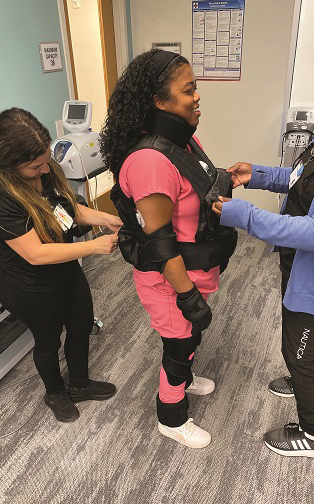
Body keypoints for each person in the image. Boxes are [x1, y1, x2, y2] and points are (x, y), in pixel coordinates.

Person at [212, 20, 314, 459]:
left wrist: (243, 215)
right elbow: (306, 180)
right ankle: (301, 369)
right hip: (301, 262)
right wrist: (261, 175)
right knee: (297, 336)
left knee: (304, 350)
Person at [100, 49, 237, 448]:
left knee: (190, 335)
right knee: (180, 343)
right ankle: (170, 415)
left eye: (196, 88)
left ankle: (185, 378)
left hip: (196, 269)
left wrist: (229, 179)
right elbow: (159, 245)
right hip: (170, 279)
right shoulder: (150, 162)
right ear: (160, 101)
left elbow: (196, 187)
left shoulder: (184, 141)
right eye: (189, 90)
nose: (197, 97)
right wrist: (187, 294)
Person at [0, 108, 122, 422]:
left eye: (45, 159)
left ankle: (79, 385)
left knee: (80, 326)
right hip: (30, 284)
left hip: (64, 270)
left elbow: (67, 213)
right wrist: (94, 246)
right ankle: (54, 392)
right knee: (48, 340)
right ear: (9, 164)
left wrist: (106, 218)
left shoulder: (45, 169)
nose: (44, 169)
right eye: (34, 165)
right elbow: (35, 253)